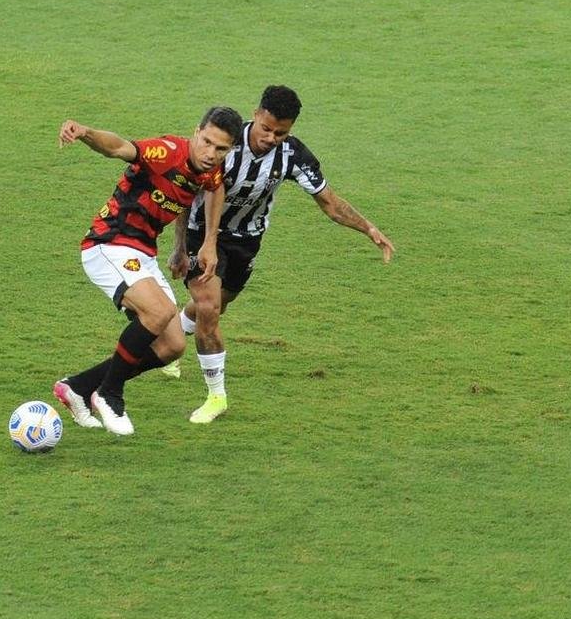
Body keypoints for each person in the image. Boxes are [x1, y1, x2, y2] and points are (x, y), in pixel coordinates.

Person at [168, 85, 395, 424]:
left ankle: (167, 338)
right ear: (256, 114)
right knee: (208, 307)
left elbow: (329, 202)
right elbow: (184, 193)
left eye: (281, 132)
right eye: (267, 128)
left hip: (247, 240)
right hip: (204, 234)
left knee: (218, 306)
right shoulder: (223, 144)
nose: (272, 137)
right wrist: (180, 246)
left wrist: (368, 228)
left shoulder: (292, 155)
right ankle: (216, 396)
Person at [52, 106, 244, 436]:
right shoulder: (166, 151)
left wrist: (190, 246)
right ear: (196, 132)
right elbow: (119, 147)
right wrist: (85, 133)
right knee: (160, 310)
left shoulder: (210, 169)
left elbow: (211, 189)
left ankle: (79, 387)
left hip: (142, 251)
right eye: (207, 142)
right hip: (108, 243)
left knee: (172, 345)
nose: (211, 154)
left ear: (230, 149)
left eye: (221, 148)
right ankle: (109, 394)